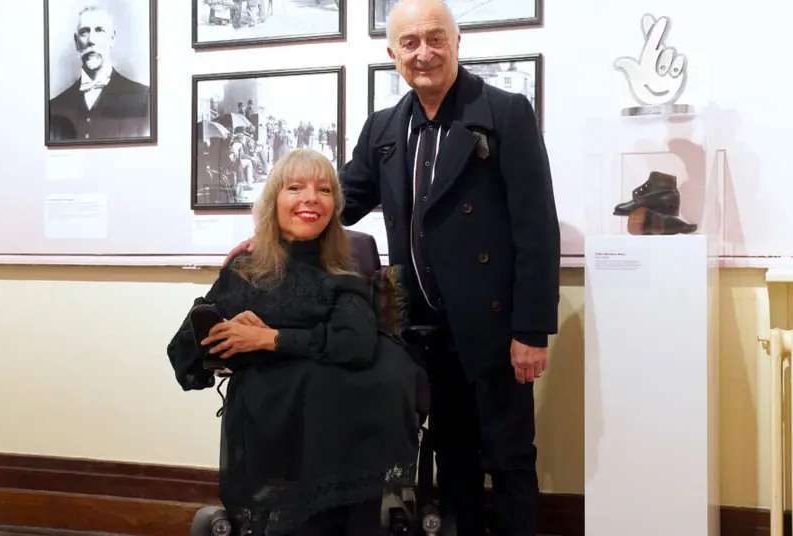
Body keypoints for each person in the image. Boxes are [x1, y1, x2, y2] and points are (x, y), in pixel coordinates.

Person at [223, 0, 560, 533]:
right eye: (409, 43)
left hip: (495, 327)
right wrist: (270, 237)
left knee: (510, 456)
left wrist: (531, 329)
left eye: (434, 38)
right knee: (453, 456)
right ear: (392, 53)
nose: (422, 53)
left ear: (456, 43)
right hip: (424, 327)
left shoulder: (505, 113)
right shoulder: (384, 128)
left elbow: (537, 229)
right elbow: (340, 199)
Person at [168, 148, 425, 536]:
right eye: (295, 187)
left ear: (334, 205)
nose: (310, 198)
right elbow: (187, 350)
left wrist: (269, 338)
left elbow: (354, 343)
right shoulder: (244, 271)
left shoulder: (343, 271)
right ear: (274, 202)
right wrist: (225, 326)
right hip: (275, 417)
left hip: (347, 422)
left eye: (324, 190)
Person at [48, 5, 152, 143]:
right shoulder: (55, 107)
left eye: (99, 30)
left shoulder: (143, 98)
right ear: (76, 42)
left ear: (112, 38)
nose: (91, 40)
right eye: (84, 31)